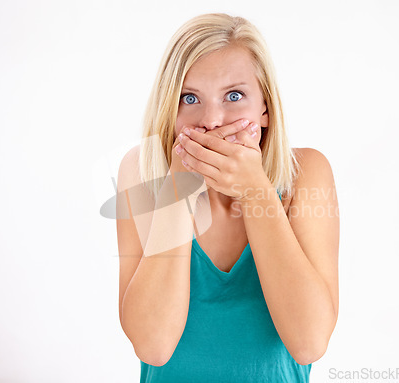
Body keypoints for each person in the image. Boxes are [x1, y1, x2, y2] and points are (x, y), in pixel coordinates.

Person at [116, 13, 339, 383]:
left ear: (265, 108)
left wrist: (255, 190)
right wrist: (179, 185)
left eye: (234, 96)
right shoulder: (142, 173)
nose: (212, 120)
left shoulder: (306, 173)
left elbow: (309, 342)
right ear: (169, 111)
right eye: (190, 98)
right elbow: (153, 346)